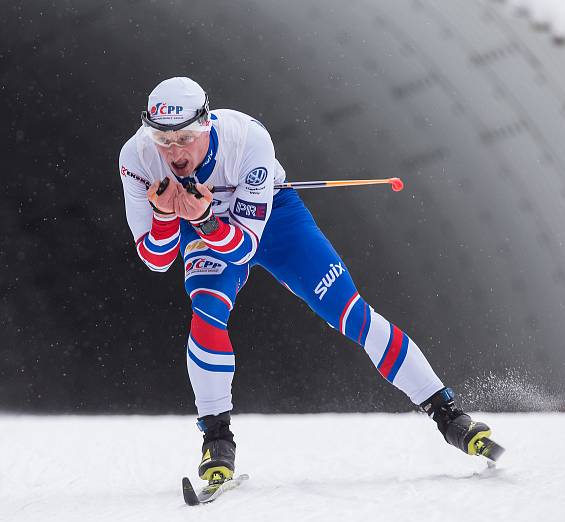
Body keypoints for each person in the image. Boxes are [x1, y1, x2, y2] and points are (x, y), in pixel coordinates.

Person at [119, 77, 499, 484]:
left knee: (351, 312)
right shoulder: (137, 157)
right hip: (202, 227)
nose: (174, 152)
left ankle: (449, 415)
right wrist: (164, 215)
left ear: (207, 124)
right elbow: (155, 260)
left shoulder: (247, 138)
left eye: (185, 137)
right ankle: (217, 439)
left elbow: (245, 248)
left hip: (271, 221)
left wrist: (203, 218)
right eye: (162, 139)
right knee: (206, 315)